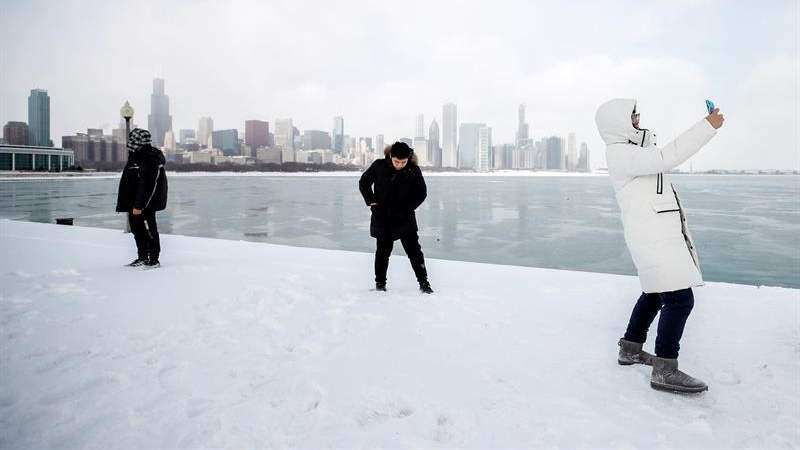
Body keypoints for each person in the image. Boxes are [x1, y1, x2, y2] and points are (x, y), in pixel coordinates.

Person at [595, 98, 724, 394]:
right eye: (632, 116)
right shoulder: (621, 154)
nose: (639, 119)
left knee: (654, 293)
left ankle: (630, 348)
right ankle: (665, 369)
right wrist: (707, 126)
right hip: (652, 238)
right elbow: (668, 157)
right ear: (619, 124)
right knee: (680, 300)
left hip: (654, 235)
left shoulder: (636, 151)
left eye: (637, 114)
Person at [359, 142, 433, 294]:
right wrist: (371, 201)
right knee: (382, 253)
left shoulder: (413, 169)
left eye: (403, 162)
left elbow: (421, 193)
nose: (400, 165)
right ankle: (380, 285)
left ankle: (424, 284)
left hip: (405, 218)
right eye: (397, 161)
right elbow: (364, 182)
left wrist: (407, 208)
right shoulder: (379, 165)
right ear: (391, 157)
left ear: (408, 159)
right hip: (382, 217)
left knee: (414, 252)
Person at [115, 128, 168, 268]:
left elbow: (148, 184)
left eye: (132, 139)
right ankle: (143, 257)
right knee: (136, 230)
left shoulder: (149, 157)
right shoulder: (135, 154)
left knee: (149, 231)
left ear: (139, 141)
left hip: (146, 204)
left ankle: (153, 260)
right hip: (134, 202)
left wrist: (139, 206)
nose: (130, 142)